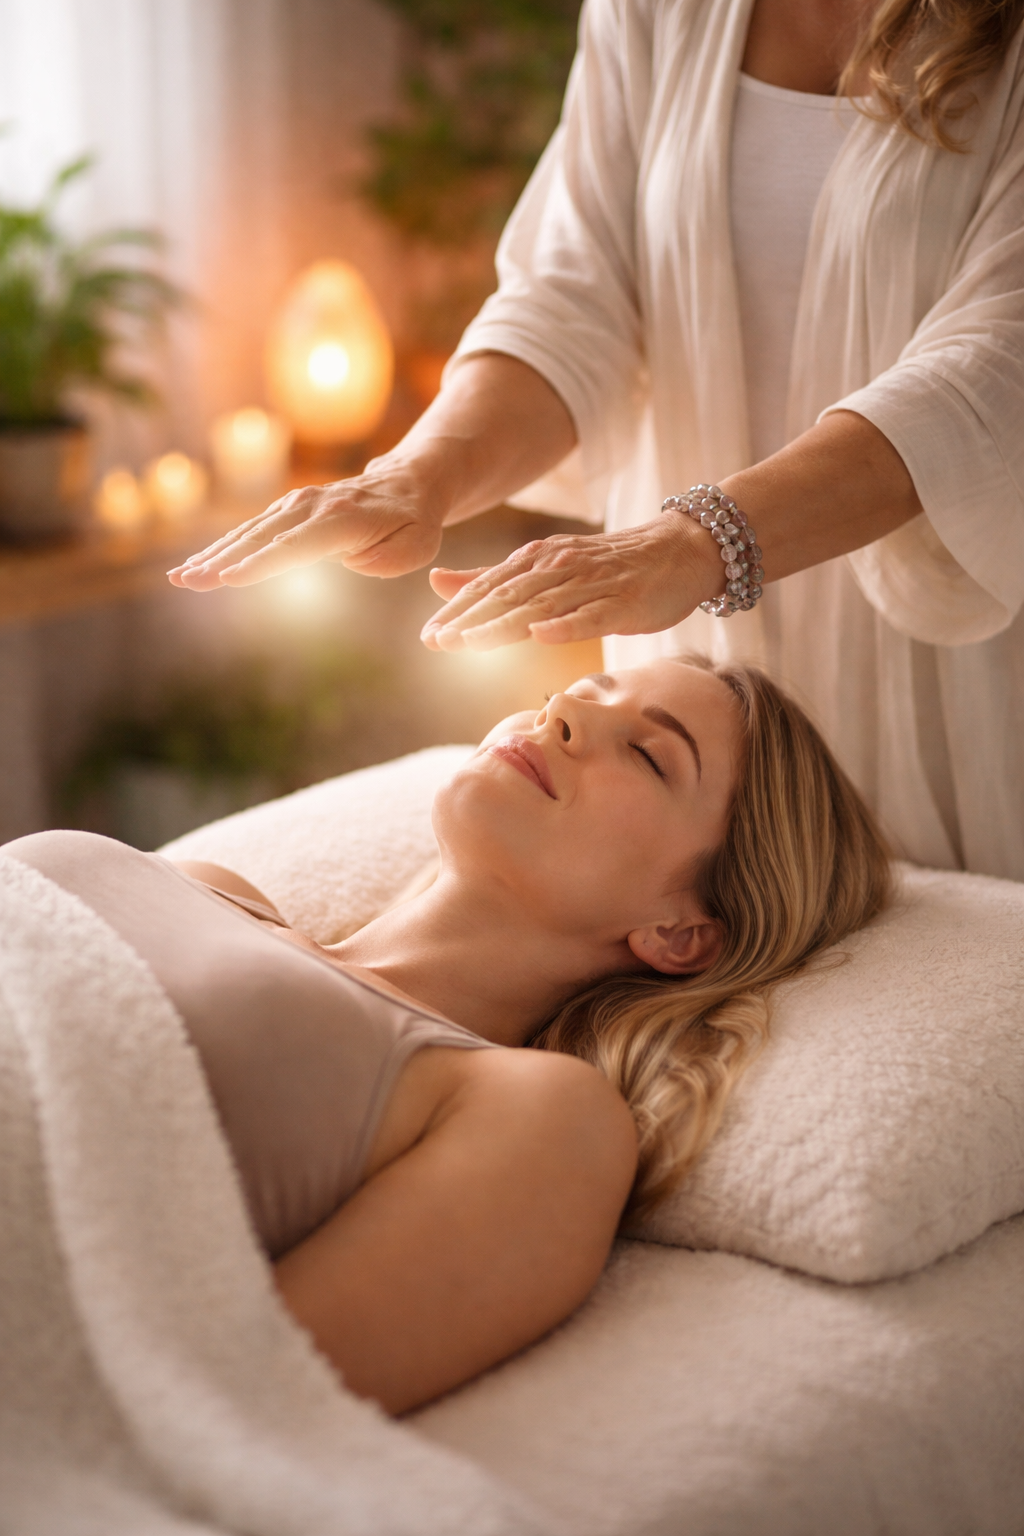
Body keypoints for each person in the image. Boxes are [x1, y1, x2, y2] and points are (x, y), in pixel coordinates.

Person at [169, 0, 1024, 881]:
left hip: (953, 673)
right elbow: (571, 299)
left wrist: (695, 544)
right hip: (682, 665)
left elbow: (994, 368)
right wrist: (415, 477)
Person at [6, 657, 889, 1413]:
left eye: (650, 755)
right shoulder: (212, 887)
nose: (568, 711)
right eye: (585, 689)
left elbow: (233, 1390)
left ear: (681, 930)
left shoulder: (543, 1116)